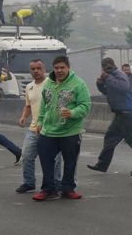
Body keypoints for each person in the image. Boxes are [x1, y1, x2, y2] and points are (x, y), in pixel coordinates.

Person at [34, 55, 91, 201]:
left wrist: (72, 113)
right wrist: (39, 122)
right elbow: (43, 105)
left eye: (62, 67)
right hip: (49, 131)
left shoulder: (78, 84)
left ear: (68, 68)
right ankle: (48, 189)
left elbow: (85, 106)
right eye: (56, 68)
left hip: (70, 131)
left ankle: (68, 189)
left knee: (70, 162)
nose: (59, 70)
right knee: (46, 161)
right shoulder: (48, 84)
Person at [15, 59, 62, 194]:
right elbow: (29, 105)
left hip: (51, 128)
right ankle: (29, 182)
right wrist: (24, 117)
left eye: (38, 68)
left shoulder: (52, 84)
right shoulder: (29, 87)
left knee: (55, 159)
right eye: (33, 69)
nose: (36, 71)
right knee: (27, 155)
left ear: (44, 69)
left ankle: (56, 184)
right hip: (34, 128)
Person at [87, 57, 132, 173]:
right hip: (120, 114)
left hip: (128, 113)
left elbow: (123, 88)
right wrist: (100, 84)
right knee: (110, 138)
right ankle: (102, 164)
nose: (106, 68)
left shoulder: (119, 74)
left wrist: (108, 78)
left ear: (113, 65)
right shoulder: (110, 76)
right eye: (104, 67)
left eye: (108, 66)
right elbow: (108, 91)